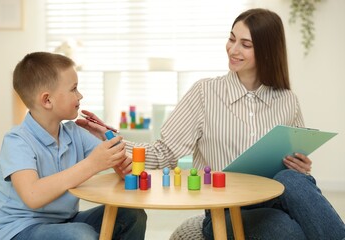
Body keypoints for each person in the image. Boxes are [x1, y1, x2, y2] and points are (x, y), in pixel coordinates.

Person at [76, 8, 345, 240]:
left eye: (245, 44)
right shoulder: (204, 93)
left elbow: (297, 170)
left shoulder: (287, 100)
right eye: (231, 39)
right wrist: (112, 139)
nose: (233, 49)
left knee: (293, 180)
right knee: (289, 231)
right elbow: (163, 152)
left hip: (282, 197)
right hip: (227, 210)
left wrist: (301, 167)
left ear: (267, 51)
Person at [0, 52, 147, 240]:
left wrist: (111, 145)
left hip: (64, 222)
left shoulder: (74, 132)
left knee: (131, 214)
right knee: (81, 235)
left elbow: (116, 163)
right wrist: (93, 164)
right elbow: (33, 195)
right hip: (18, 229)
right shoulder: (17, 140)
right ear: (47, 100)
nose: (80, 95)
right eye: (74, 89)